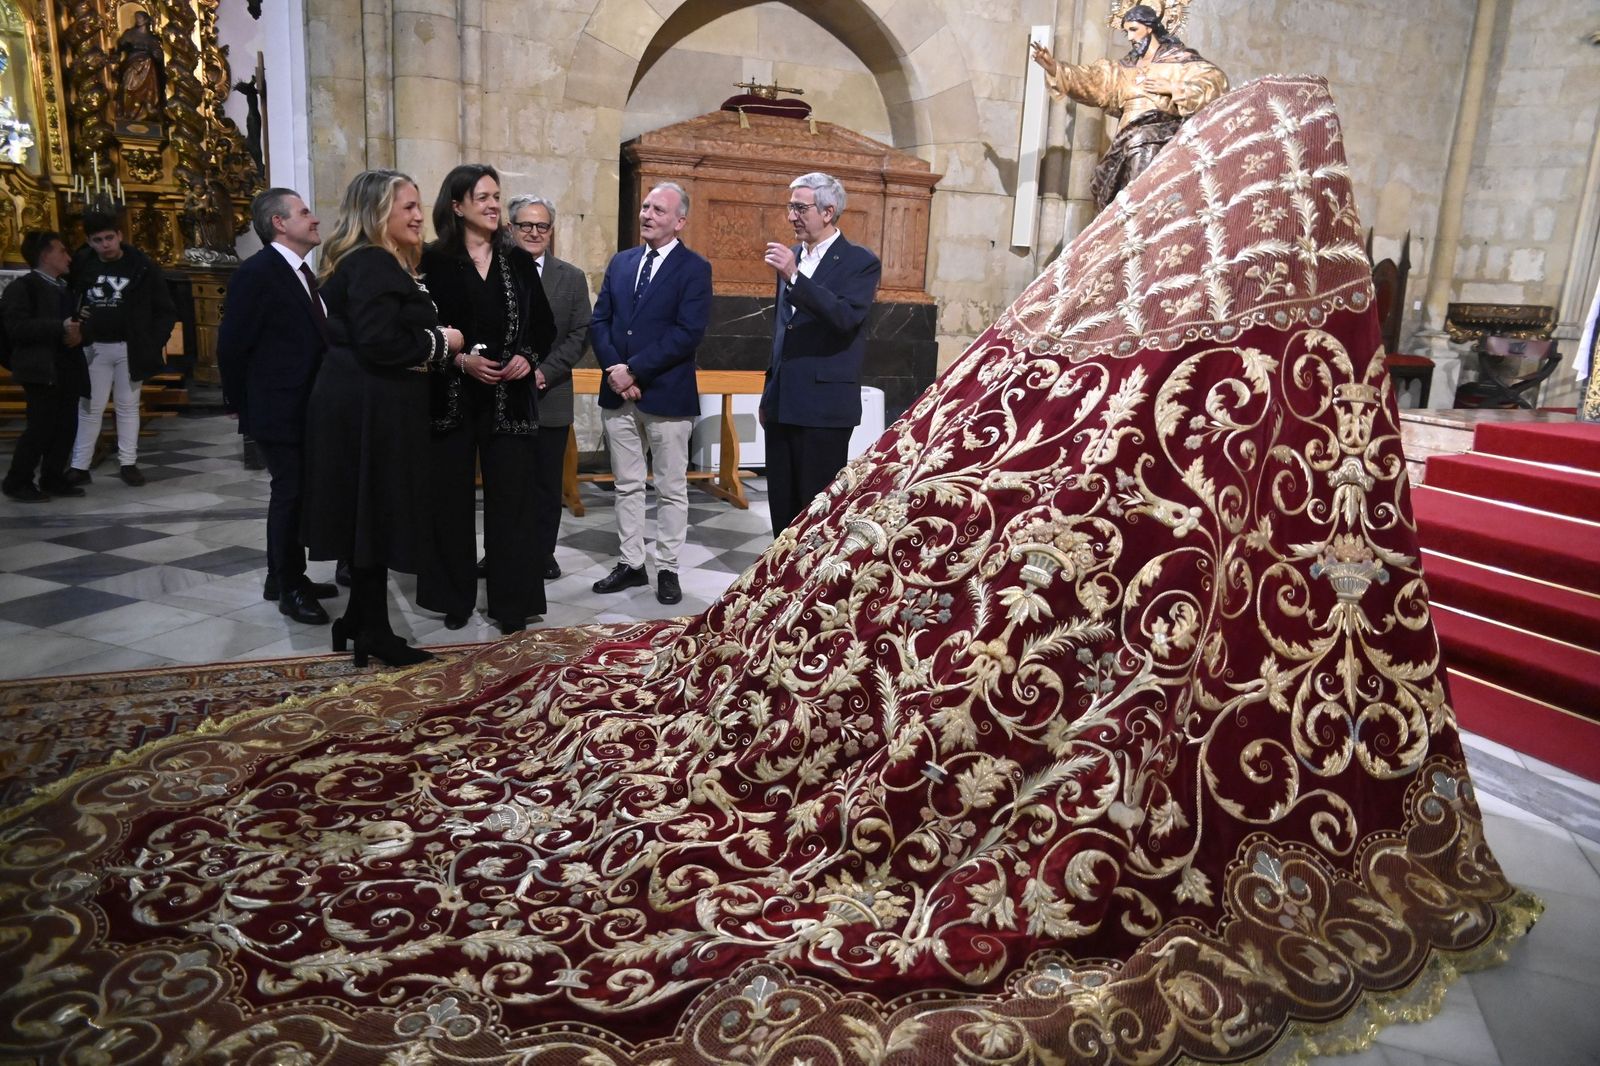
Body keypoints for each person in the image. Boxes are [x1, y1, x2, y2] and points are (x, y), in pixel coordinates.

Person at [300, 169, 464, 667]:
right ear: (377, 213)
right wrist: (444, 342)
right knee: (375, 513)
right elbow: (378, 341)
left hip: (366, 405)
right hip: (370, 410)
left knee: (368, 517)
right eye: (408, 207)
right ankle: (372, 629)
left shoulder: (370, 261)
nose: (419, 216)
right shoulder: (372, 261)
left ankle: (361, 621)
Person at [415, 164, 556, 635]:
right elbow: (418, 330)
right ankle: (452, 598)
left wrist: (526, 358)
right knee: (449, 502)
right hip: (450, 398)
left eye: (497, 196)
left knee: (513, 503)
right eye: (483, 197)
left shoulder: (516, 260)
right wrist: (458, 361)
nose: (495, 205)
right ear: (457, 206)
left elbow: (544, 327)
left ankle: (512, 603)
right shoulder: (430, 260)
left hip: (509, 399)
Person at [217, 188, 339, 626]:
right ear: (279, 223)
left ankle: (282, 576)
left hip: (305, 407)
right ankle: (290, 587)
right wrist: (236, 401)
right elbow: (232, 343)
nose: (315, 219)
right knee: (290, 493)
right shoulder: (259, 272)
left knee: (298, 492)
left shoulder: (305, 273)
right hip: (278, 408)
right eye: (304, 212)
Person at [589, 181, 712, 606]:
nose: (646, 215)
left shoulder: (694, 268)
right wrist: (614, 371)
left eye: (658, 210)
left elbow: (687, 333)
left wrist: (634, 370)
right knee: (626, 484)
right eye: (645, 206)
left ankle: (668, 567)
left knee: (671, 487)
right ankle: (630, 563)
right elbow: (600, 321)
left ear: (679, 221)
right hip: (618, 394)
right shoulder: (622, 262)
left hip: (666, 394)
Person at [760, 172, 882, 536]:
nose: (791, 216)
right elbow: (784, 329)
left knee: (816, 509)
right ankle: (776, 580)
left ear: (828, 212)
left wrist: (795, 278)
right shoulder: (793, 256)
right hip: (783, 401)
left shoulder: (859, 261)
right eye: (790, 207)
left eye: (800, 208)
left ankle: (811, 585)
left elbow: (845, 318)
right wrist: (769, 392)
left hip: (823, 406)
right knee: (781, 505)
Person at [1030, 2, 1227, 211]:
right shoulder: (1123, 70)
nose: (1131, 38)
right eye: (1127, 32)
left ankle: (1142, 216)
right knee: (1112, 179)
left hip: (1161, 136)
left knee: (1142, 144)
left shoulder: (1179, 62)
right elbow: (1090, 80)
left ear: (1150, 27)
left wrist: (1174, 87)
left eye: (1134, 30)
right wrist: (1053, 67)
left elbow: (1216, 82)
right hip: (1126, 137)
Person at [508, 194, 592, 580]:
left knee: (544, 483)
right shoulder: (495, 269)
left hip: (550, 393)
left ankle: (543, 552)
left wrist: (544, 371)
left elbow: (579, 334)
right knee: (507, 483)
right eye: (525, 225)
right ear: (511, 228)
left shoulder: (570, 277)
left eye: (542, 226)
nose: (534, 232)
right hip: (503, 393)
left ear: (551, 231)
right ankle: (500, 551)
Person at [66, 211, 179, 487]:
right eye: (97, 240)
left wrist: (153, 342)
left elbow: (164, 310)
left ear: (119, 235)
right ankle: (80, 465)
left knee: (127, 407)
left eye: (109, 238)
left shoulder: (141, 266)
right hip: (93, 346)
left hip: (130, 346)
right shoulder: (82, 265)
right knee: (89, 406)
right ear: (89, 242)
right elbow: (69, 296)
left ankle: (128, 462)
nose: (105, 245)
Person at [1, 231, 87, 502]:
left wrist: (80, 330)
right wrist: (59, 326)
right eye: (62, 251)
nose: (68, 257)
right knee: (40, 428)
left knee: (65, 426)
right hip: (41, 368)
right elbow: (15, 328)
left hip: (66, 366)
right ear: (44, 255)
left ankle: (53, 477)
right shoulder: (23, 287)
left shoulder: (64, 287)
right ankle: (18, 481)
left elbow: (74, 325)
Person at [115, 10, 164, 123]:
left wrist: (157, 54)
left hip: (148, 66)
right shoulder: (130, 34)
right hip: (132, 63)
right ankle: (127, 113)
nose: (137, 20)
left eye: (140, 17)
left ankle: (146, 109)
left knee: (149, 89)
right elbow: (120, 45)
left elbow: (158, 54)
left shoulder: (153, 38)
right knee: (127, 86)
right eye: (136, 17)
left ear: (146, 20)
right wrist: (116, 54)